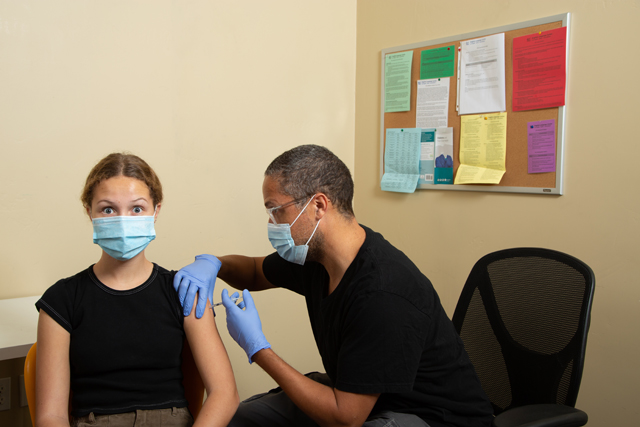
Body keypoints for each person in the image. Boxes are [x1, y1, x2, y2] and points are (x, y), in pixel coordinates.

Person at [175, 145, 493, 427]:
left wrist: (259, 349)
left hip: (429, 416)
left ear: (318, 206)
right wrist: (213, 264)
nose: (271, 224)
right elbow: (257, 271)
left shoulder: (382, 293)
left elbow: (345, 418)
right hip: (364, 397)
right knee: (240, 419)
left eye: (276, 210)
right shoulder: (316, 257)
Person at [35, 153, 239, 427]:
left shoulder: (185, 290)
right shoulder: (61, 300)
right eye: (108, 209)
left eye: (137, 209)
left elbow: (224, 394)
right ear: (89, 212)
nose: (123, 220)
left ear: (156, 211)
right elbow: (51, 416)